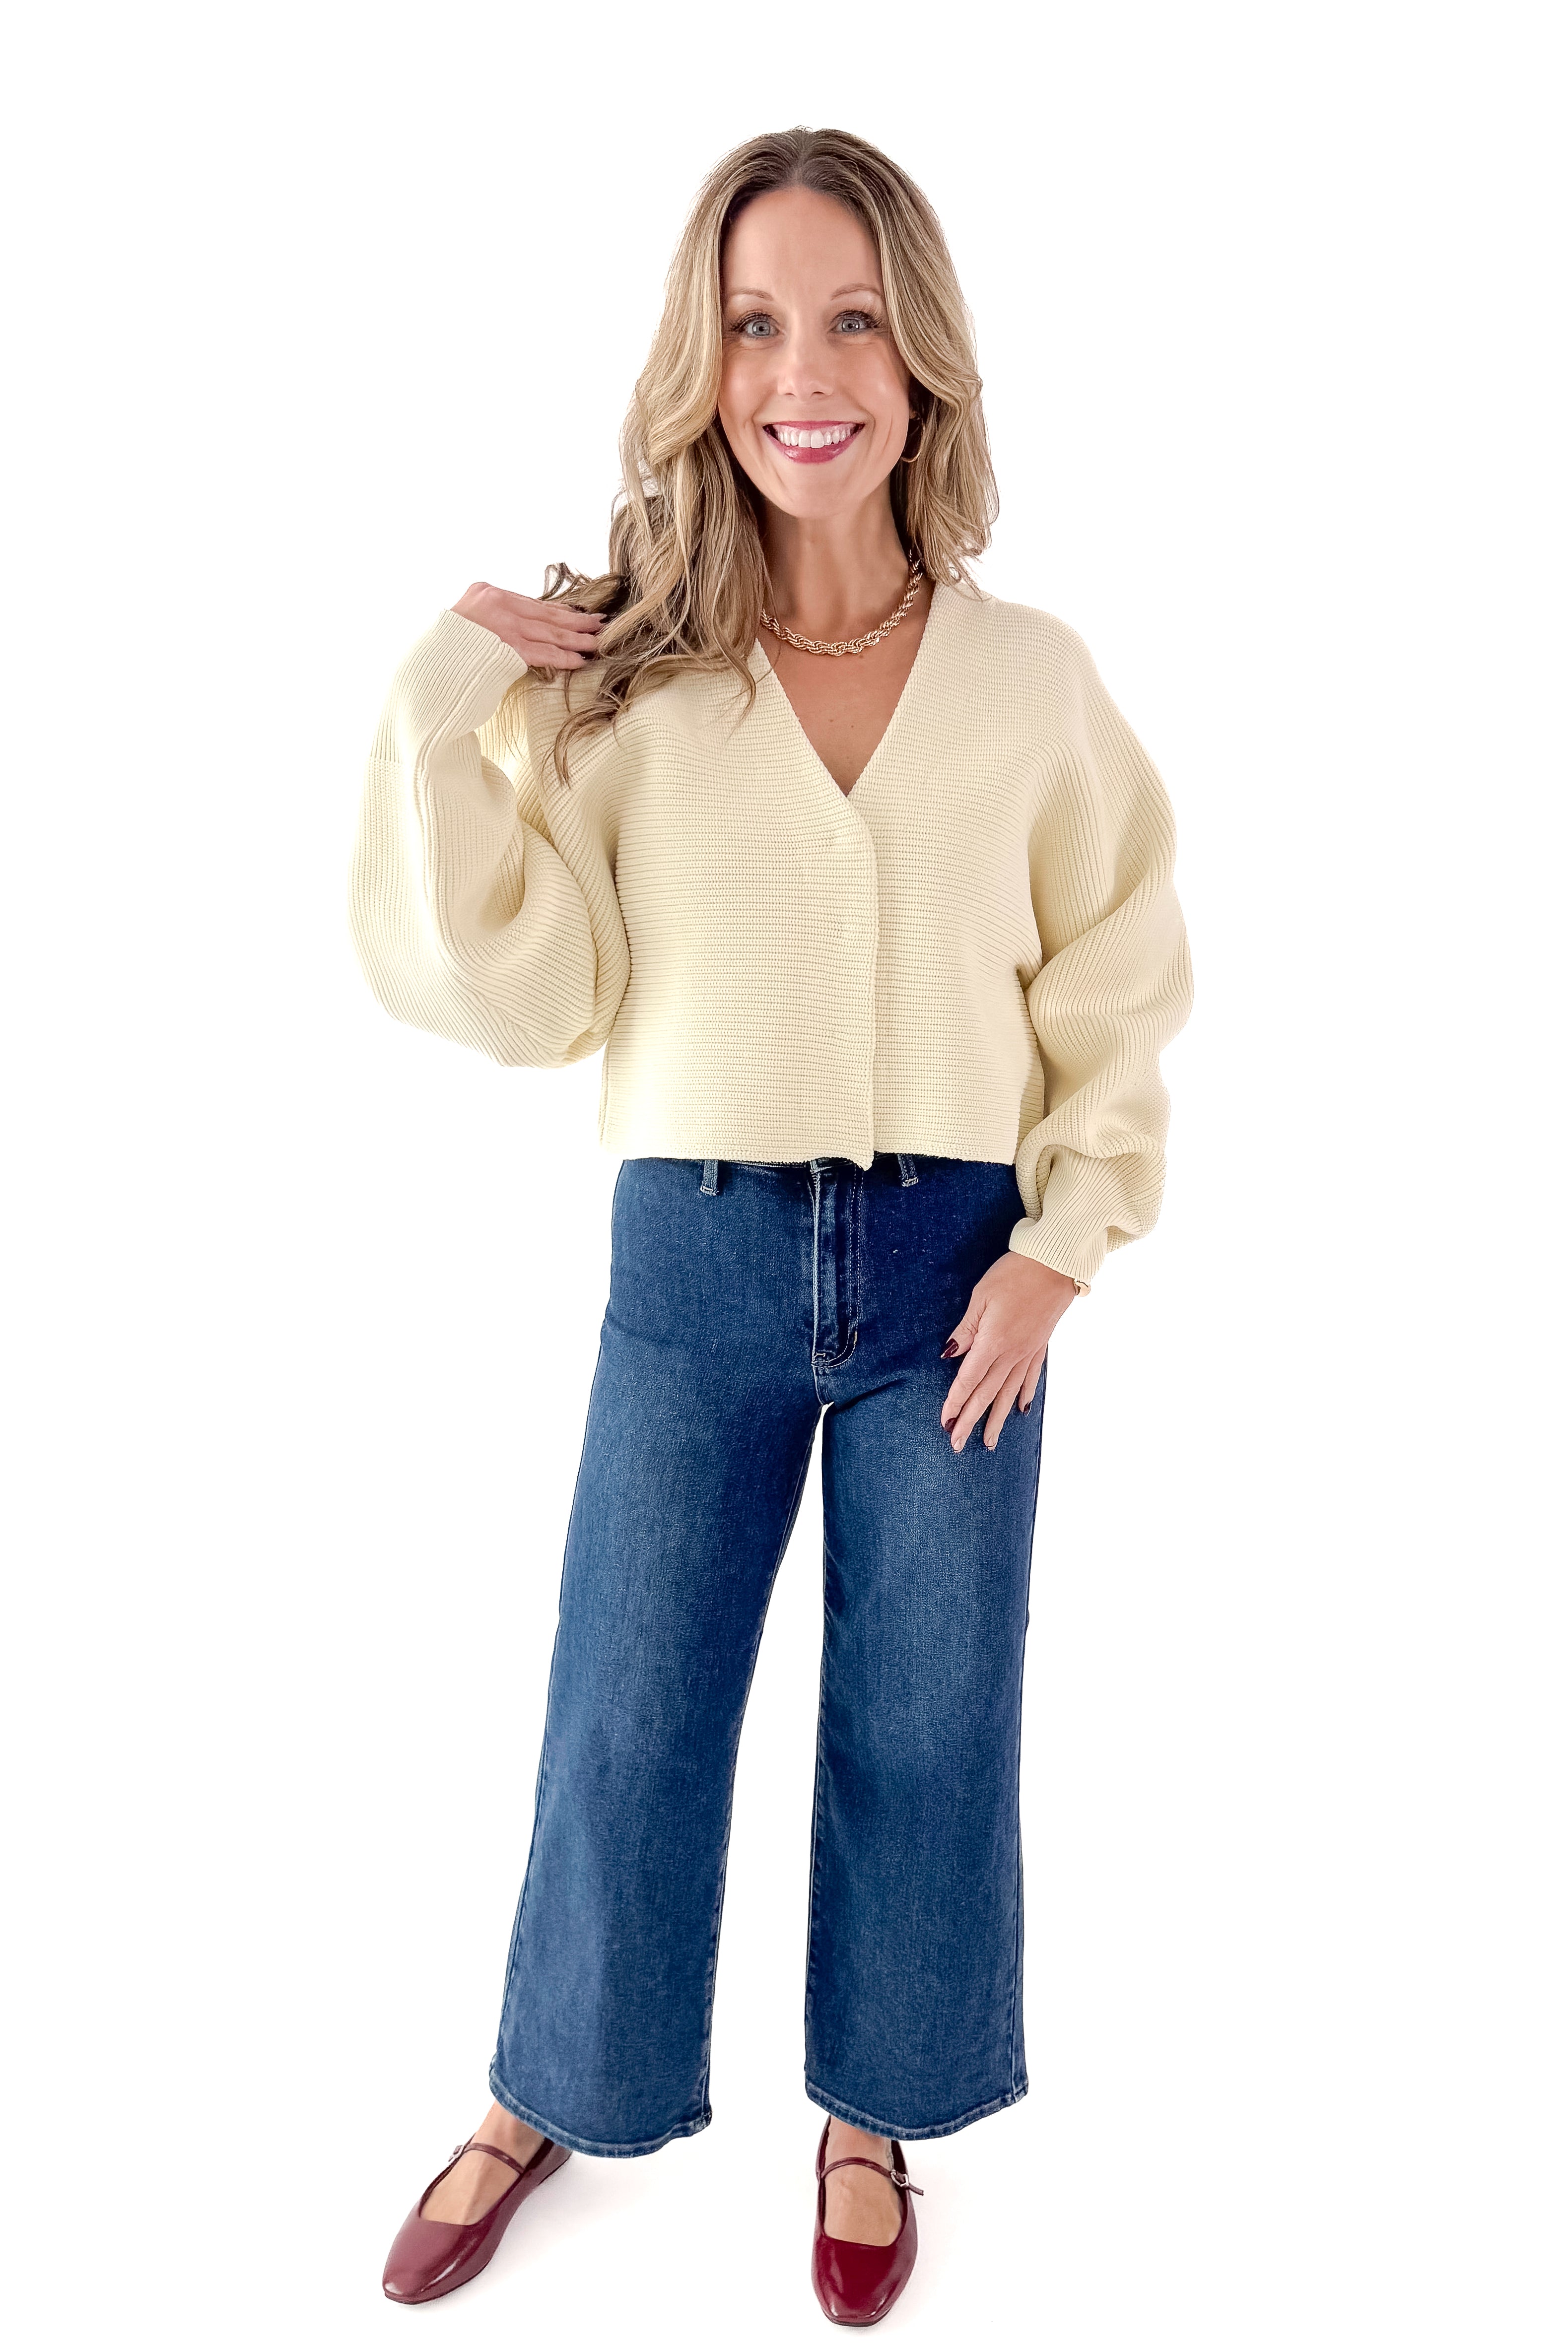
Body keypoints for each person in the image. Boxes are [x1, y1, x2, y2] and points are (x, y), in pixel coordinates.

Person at [350, 124, 1193, 2329]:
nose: (800, 372)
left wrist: (1063, 1242)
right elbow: (527, 996)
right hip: (694, 1262)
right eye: (750, 323)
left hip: (955, 1277)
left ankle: (872, 2110)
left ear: (921, 360)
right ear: (700, 361)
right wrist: (449, 702)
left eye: (847, 321)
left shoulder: (1031, 679)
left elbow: (1115, 966)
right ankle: (547, 2086)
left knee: (930, 1716)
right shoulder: (633, 679)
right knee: (627, 1709)